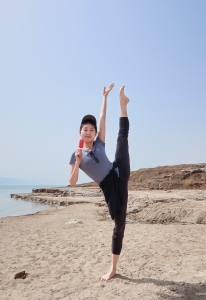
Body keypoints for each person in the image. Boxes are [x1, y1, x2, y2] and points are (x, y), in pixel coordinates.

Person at [69, 84, 130, 282]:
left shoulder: (99, 143)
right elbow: (72, 183)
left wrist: (105, 97)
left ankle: (123, 105)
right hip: (109, 188)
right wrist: (78, 163)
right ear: (80, 132)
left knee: (122, 138)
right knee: (118, 226)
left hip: (118, 171)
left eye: (91, 129)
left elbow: (102, 117)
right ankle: (113, 268)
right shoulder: (76, 155)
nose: (88, 132)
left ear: (95, 133)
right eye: (85, 129)